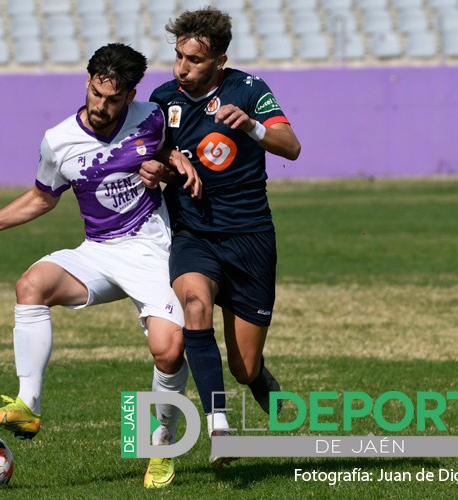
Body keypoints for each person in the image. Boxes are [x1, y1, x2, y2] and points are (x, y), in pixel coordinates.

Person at [0, 43, 201, 489]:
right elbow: (41, 198)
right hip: (99, 251)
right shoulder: (58, 140)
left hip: (152, 251)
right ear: (87, 83)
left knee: (169, 350)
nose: (102, 106)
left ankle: (161, 445)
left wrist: (168, 162)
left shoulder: (153, 116)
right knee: (31, 284)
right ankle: (28, 407)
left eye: (113, 98)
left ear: (130, 94)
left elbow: (169, 155)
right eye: (96, 94)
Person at [140, 7, 301, 467]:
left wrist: (251, 126)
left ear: (219, 61)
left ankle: (258, 378)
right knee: (195, 308)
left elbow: (291, 146)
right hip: (194, 233)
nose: (181, 69)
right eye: (178, 57)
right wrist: (163, 162)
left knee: (244, 366)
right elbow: (149, 153)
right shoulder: (163, 97)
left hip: (250, 238)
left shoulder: (248, 90)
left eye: (193, 60)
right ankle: (218, 424)